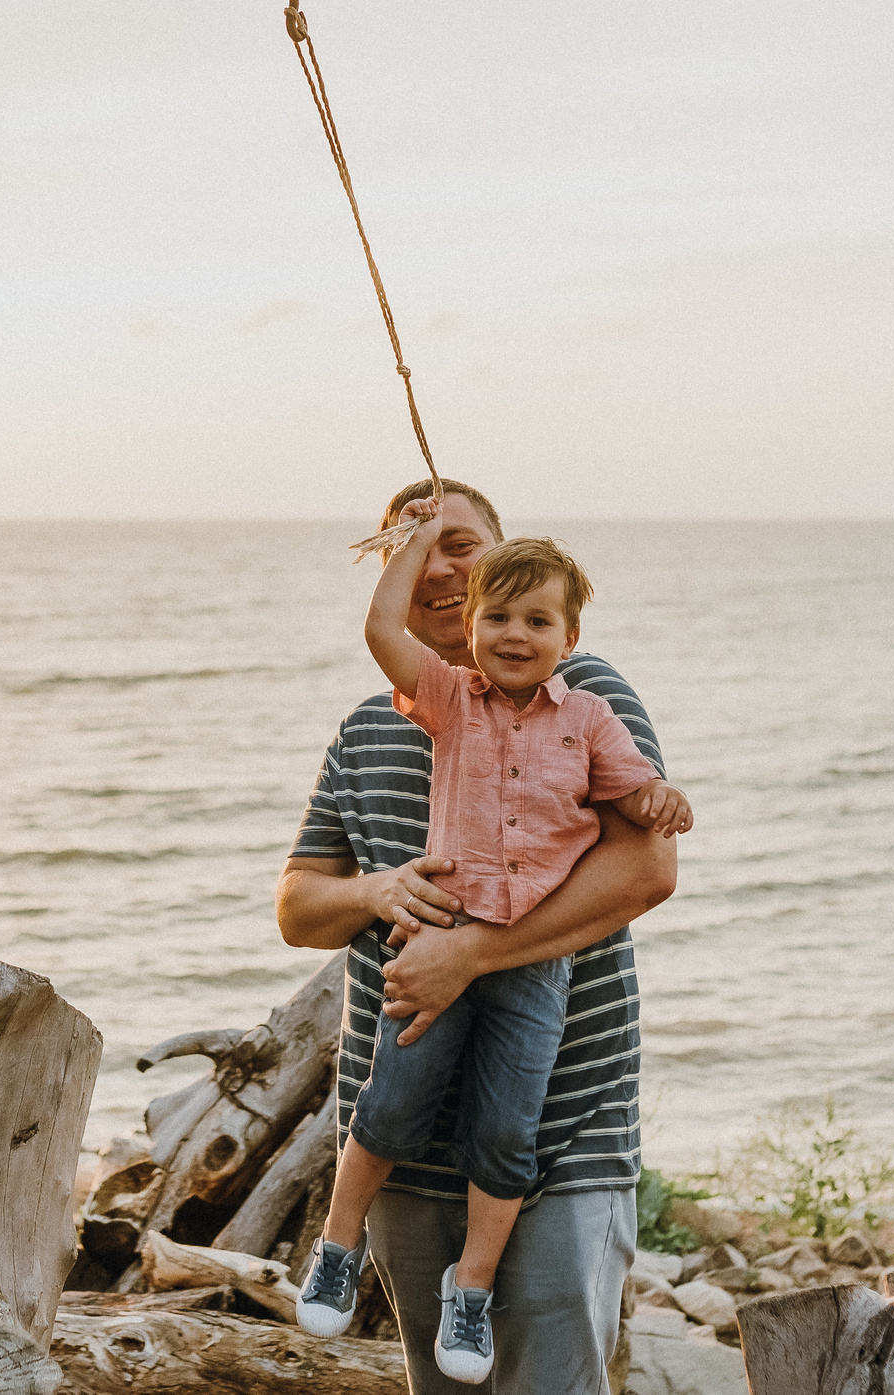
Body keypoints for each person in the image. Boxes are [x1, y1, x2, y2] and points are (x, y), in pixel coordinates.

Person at [279, 478, 689, 1395]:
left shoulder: (584, 694)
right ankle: (341, 1248)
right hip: (401, 1143)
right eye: (411, 544)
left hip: (562, 1135)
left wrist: (469, 952)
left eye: (457, 541)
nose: (436, 563)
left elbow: (648, 868)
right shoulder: (368, 726)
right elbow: (298, 907)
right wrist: (377, 889)